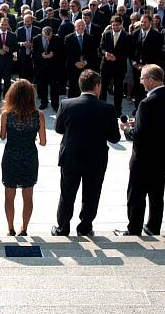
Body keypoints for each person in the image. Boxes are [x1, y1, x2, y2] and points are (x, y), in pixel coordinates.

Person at [51, 70, 121, 236]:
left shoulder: (66, 104)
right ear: (97, 86)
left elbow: (58, 129)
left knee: (67, 193)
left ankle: (62, 227)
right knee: (91, 194)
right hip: (96, 159)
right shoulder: (108, 108)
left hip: (71, 157)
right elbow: (114, 138)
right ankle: (85, 227)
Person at [115, 65, 165, 236]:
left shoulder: (146, 103)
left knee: (136, 195)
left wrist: (126, 129)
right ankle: (153, 227)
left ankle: (134, 229)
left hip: (144, 158)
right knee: (157, 195)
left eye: (143, 78)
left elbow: (139, 135)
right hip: (164, 155)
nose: (141, 81)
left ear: (151, 80)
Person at [0, 79, 46, 236]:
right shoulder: (39, 115)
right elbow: (43, 142)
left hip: (11, 156)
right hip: (29, 157)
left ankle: (10, 228)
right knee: (28, 196)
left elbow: (2, 136)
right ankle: (24, 228)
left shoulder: (6, 114)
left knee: (9, 196)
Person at [99, 16, 132, 116]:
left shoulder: (127, 36)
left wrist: (116, 57)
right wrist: (105, 54)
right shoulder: (106, 34)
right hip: (106, 66)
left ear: (121, 25)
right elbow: (101, 48)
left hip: (119, 67)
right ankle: (102, 108)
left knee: (118, 89)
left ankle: (117, 110)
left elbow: (128, 51)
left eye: (117, 25)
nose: (115, 27)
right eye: (113, 25)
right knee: (103, 87)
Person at [64, 19, 97, 99]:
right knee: (73, 87)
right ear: (75, 27)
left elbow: (93, 53)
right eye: (79, 26)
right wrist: (75, 62)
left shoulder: (90, 38)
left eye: (83, 26)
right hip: (73, 67)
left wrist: (85, 62)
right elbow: (66, 53)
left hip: (86, 67)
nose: (81, 27)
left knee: (85, 88)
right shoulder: (68, 38)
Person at [0, 17, 18, 104]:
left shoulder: (12, 35)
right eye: (2, 24)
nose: (4, 26)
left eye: (5, 25)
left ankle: (6, 97)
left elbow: (16, 48)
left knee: (7, 81)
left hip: (8, 62)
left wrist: (8, 49)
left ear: (8, 25)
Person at [33, 26, 61, 110]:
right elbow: (34, 52)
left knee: (54, 87)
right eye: (46, 37)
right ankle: (44, 102)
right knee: (42, 86)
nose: (48, 39)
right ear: (42, 33)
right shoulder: (36, 39)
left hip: (53, 67)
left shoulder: (57, 38)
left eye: (50, 37)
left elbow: (61, 52)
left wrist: (53, 55)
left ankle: (55, 104)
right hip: (41, 67)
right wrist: (41, 55)